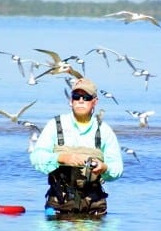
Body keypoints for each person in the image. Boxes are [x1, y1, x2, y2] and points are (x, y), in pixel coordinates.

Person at [30, 78, 123, 217]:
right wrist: (61, 158)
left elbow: (117, 169)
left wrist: (104, 168)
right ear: (70, 101)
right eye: (76, 96)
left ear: (94, 102)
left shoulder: (104, 131)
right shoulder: (54, 125)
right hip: (58, 207)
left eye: (86, 97)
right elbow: (36, 158)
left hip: (95, 209)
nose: (80, 100)